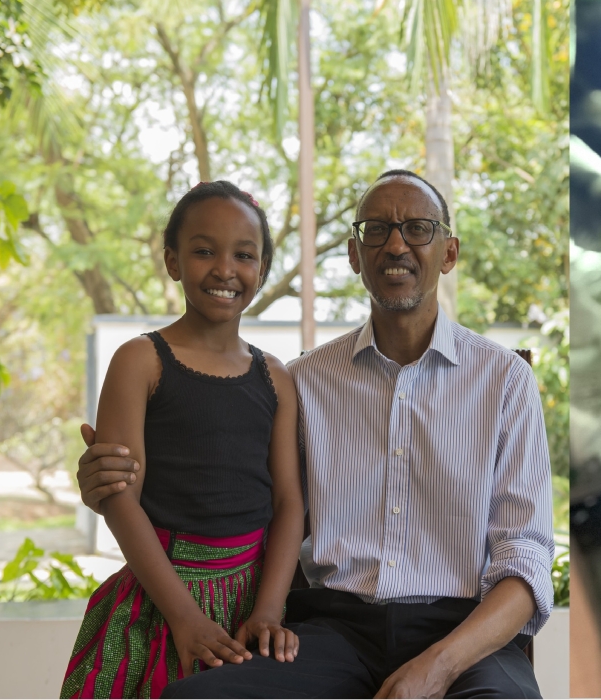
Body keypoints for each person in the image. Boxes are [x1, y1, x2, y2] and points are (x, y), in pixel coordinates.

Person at [75, 170, 554, 698]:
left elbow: (525, 561)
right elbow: (230, 472)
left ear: (449, 252)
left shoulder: (506, 382)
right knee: (198, 696)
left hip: (462, 635)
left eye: (418, 228)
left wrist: (437, 667)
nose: (396, 243)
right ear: (354, 255)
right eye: (376, 230)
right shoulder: (300, 381)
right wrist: (107, 478)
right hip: (333, 633)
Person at [60, 181, 305, 699]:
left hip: (252, 599)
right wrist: (185, 618)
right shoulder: (140, 360)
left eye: (244, 254)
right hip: (161, 597)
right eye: (203, 251)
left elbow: (288, 502)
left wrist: (267, 610)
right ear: (172, 261)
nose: (224, 269)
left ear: (261, 270)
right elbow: (119, 496)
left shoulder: (277, 378)